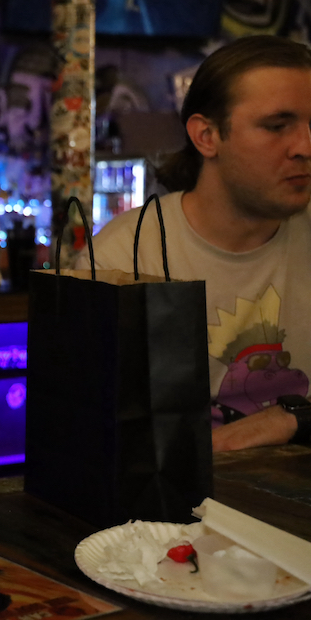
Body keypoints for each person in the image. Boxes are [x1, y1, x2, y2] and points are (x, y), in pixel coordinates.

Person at [78, 35, 311, 452]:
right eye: (277, 126)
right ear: (206, 136)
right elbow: (85, 434)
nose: (304, 147)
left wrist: (293, 421)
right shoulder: (122, 258)